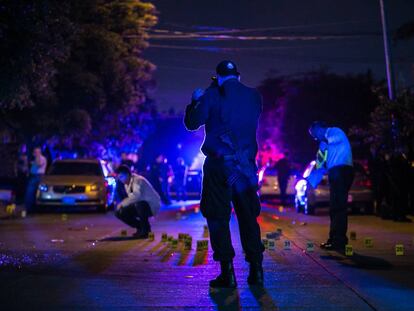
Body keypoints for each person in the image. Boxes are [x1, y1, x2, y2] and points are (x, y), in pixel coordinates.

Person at [184, 60, 264, 288]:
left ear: (218, 77)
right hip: (245, 166)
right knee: (249, 216)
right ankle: (256, 270)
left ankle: (227, 273)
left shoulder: (211, 94)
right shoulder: (254, 96)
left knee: (218, 217)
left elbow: (192, 123)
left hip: (220, 166)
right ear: (238, 77)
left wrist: (196, 100)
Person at [307, 121, 354, 252]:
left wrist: (324, 145)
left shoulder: (334, 131)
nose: (315, 138)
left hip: (342, 170)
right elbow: (320, 164)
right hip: (335, 172)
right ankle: (335, 239)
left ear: (319, 129)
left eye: (314, 134)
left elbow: (333, 141)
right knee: (335, 207)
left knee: (338, 206)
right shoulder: (324, 142)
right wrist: (312, 180)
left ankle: (338, 241)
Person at [114, 165, 161, 238]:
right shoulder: (126, 184)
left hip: (151, 205)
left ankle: (146, 230)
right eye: (119, 178)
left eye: (121, 177)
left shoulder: (138, 180)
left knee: (139, 204)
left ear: (128, 174)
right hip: (140, 205)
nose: (120, 180)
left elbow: (136, 196)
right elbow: (132, 199)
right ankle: (140, 227)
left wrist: (122, 204)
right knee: (119, 212)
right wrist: (121, 206)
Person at [25, 146, 47, 212]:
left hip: (38, 176)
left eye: (37, 152)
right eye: (34, 152)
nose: (35, 153)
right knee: (30, 192)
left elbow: (38, 164)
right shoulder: (35, 159)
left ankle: (31, 207)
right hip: (33, 176)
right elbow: (32, 168)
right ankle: (30, 206)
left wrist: (37, 157)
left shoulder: (42, 158)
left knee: (31, 191)